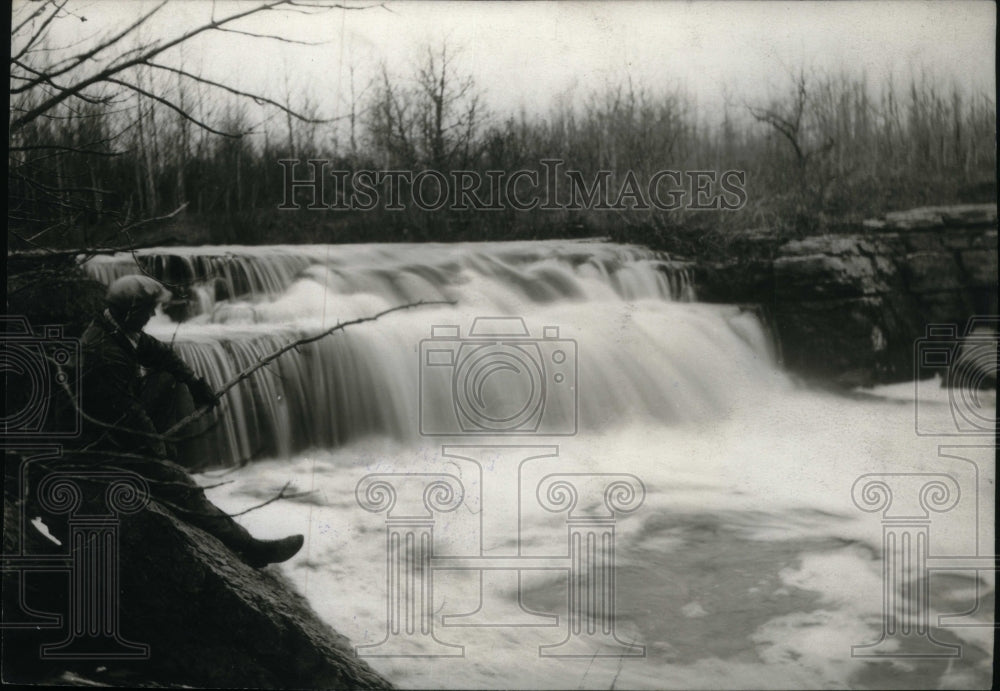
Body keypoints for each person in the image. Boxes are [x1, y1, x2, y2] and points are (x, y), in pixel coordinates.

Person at [77, 275, 303, 568]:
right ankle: (251, 548)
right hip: (100, 447)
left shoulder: (115, 330)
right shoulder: (106, 355)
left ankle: (163, 463)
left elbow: (161, 354)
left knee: (169, 378)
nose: (153, 315)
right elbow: (130, 416)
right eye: (148, 309)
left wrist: (195, 382)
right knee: (183, 488)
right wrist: (160, 459)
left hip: (111, 423)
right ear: (131, 312)